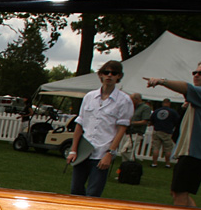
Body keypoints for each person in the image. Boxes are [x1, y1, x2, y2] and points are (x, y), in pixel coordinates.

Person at [66, 60, 133, 197]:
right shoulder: (89, 97)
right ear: (100, 75)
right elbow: (80, 124)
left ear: (119, 76)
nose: (109, 76)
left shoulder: (124, 100)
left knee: (93, 194)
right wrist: (73, 150)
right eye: (106, 72)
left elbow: (121, 130)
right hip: (83, 151)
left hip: (102, 152)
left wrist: (109, 153)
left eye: (113, 73)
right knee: (75, 191)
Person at [145, 64, 201, 206]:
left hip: (194, 154)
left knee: (180, 194)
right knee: (178, 192)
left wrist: (161, 81)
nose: (196, 75)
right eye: (195, 72)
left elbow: (185, 87)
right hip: (191, 153)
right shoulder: (196, 97)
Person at [118, 92, 151, 162]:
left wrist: (131, 123)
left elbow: (145, 121)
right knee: (129, 151)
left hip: (136, 133)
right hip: (128, 133)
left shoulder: (145, 108)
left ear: (137, 99)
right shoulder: (133, 107)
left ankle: (129, 165)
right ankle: (127, 166)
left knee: (125, 151)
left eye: (131, 99)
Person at [149, 98, 180, 167]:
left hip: (157, 131)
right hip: (167, 132)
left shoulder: (156, 111)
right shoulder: (173, 112)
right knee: (167, 149)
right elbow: (177, 121)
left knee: (156, 148)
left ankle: (154, 163)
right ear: (169, 103)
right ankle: (167, 164)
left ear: (163, 103)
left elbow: (151, 121)